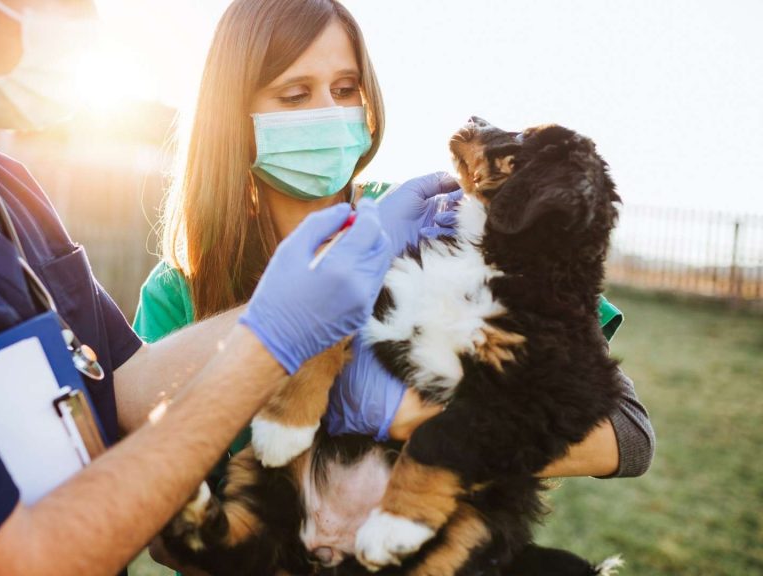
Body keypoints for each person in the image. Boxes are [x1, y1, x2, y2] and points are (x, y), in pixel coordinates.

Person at [0, 1, 448, 575]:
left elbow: (124, 385)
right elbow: (17, 564)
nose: (86, 20)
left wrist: (311, 280)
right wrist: (273, 341)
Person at [136, 0, 655, 568]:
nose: (329, 112)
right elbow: (154, 518)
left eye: (346, 88)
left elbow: (627, 435)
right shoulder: (179, 293)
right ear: (232, 114)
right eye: (294, 95)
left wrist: (414, 421)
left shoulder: (433, 217)